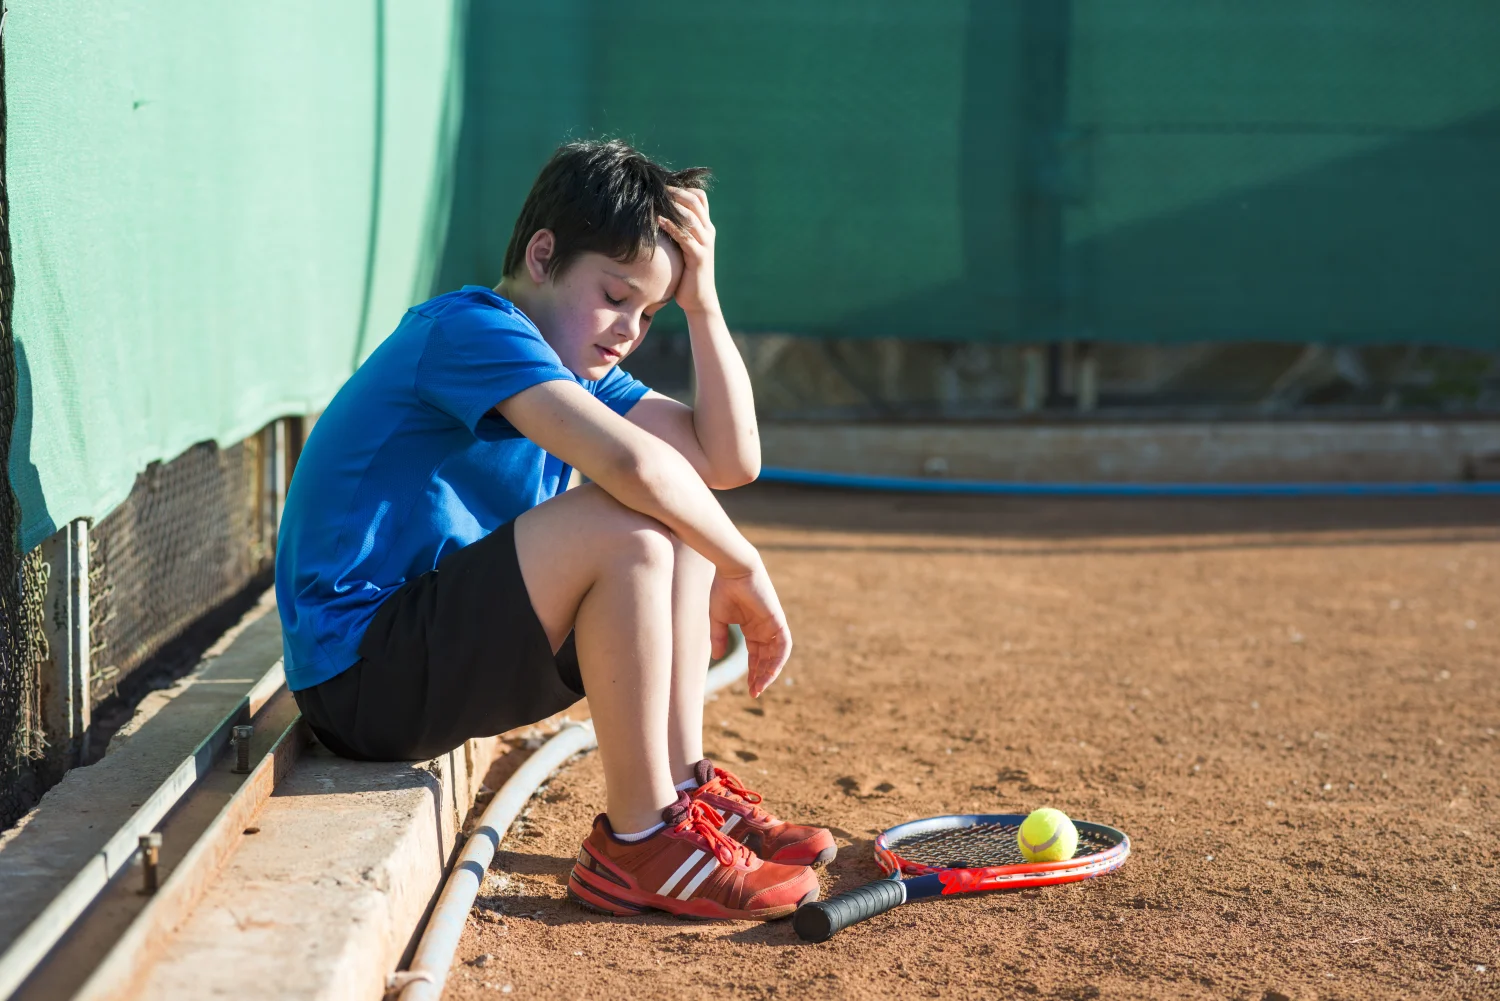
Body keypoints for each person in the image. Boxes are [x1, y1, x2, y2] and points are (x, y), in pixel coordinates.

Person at [275, 140, 832, 921]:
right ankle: (638, 842)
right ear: (543, 255)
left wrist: (703, 302)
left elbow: (726, 458)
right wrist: (744, 563)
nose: (629, 328)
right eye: (615, 295)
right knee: (634, 524)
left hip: (432, 656)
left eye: (648, 312)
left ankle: (680, 793)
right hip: (362, 678)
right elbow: (632, 465)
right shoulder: (472, 327)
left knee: (676, 516)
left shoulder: (580, 370)